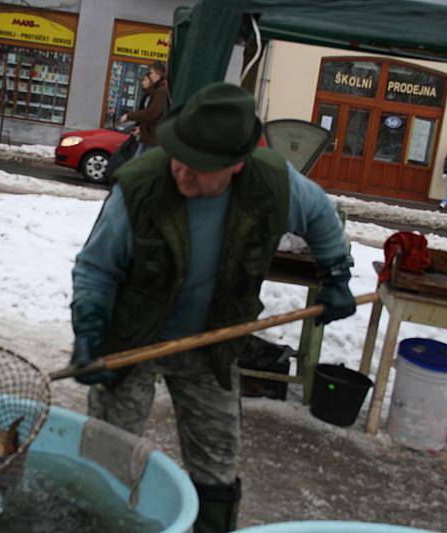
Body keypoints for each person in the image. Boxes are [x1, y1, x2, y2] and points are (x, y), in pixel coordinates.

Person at [69, 83, 357, 533]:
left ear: (236, 166)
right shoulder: (141, 186)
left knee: (217, 463)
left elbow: (321, 214)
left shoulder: (271, 184)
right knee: (107, 453)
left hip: (210, 342)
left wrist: (336, 274)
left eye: (200, 169)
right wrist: (88, 331)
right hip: (130, 335)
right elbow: (96, 267)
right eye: (178, 156)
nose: (182, 172)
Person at [120, 61, 171, 157]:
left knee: (138, 166)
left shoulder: (161, 91)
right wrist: (141, 128)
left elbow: (152, 113)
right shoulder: (156, 90)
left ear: (157, 74)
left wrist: (129, 115)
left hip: (153, 139)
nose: (150, 76)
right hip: (149, 136)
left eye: (151, 73)